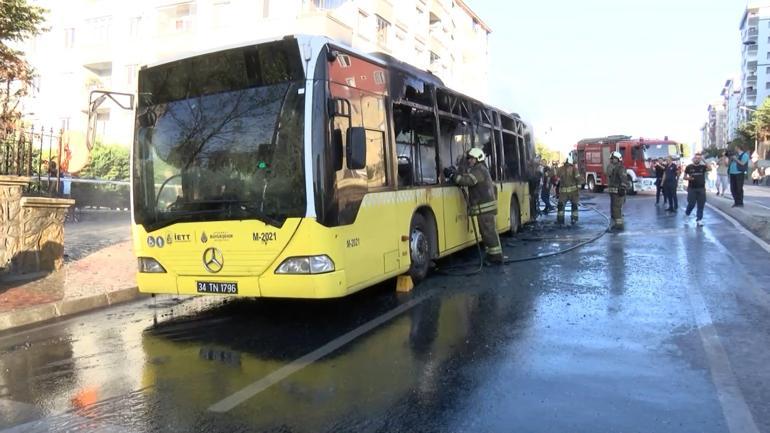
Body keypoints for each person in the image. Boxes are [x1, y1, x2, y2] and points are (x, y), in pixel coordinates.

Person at [444, 148, 503, 265]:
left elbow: (468, 181)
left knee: (488, 233)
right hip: (484, 210)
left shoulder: (479, 169)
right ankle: (491, 256)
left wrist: (452, 175)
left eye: (471, 159)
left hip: (485, 210)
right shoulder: (479, 169)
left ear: (478, 159)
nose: (469, 161)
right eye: (469, 159)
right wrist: (456, 173)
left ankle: (496, 257)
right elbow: (467, 177)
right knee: (486, 233)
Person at [555, 155, 582, 225]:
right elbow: (578, 179)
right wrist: (579, 186)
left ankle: (561, 221)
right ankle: (572, 220)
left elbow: (557, 180)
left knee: (563, 206)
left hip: (566, 193)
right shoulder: (573, 169)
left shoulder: (562, 169)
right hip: (571, 192)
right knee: (573, 206)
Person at [684, 152, 709, 226]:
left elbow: (710, 168)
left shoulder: (702, 167)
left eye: (699, 158)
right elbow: (684, 177)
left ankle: (699, 219)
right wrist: (689, 178)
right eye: (696, 158)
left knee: (701, 205)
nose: (697, 159)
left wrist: (704, 160)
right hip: (692, 189)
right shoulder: (689, 167)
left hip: (701, 188)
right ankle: (687, 213)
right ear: (693, 159)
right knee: (691, 204)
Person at [607, 151, 629, 230]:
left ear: (618, 159)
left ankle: (619, 226)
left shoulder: (621, 168)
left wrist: (622, 188)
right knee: (613, 210)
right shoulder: (613, 167)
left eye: (613, 159)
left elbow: (624, 179)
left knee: (617, 210)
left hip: (618, 193)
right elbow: (609, 175)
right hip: (613, 194)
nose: (611, 160)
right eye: (611, 159)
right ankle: (614, 225)